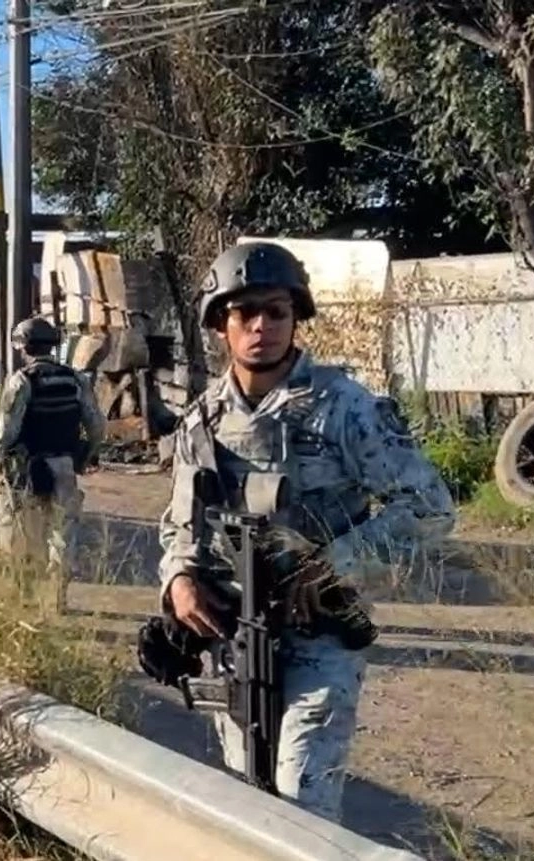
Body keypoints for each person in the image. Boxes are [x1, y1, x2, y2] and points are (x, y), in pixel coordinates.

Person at [156, 241, 456, 823]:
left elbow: (428, 506)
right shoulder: (204, 419)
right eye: (246, 313)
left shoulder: (343, 406)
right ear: (222, 325)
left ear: (296, 318)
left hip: (317, 630)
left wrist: (336, 564)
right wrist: (179, 581)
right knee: (248, 796)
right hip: (235, 635)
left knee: (302, 801)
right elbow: (182, 525)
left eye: (277, 311)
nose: (262, 326)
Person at [0, 316, 106, 610]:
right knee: (63, 536)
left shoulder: (21, 381)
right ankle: (58, 600)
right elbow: (96, 426)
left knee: (18, 534)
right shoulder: (76, 379)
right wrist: (84, 456)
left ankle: (24, 598)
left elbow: (6, 434)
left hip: (27, 470)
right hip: (64, 468)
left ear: (23, 346)